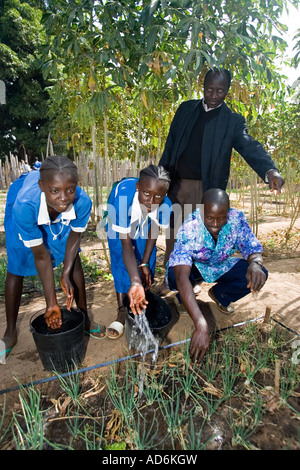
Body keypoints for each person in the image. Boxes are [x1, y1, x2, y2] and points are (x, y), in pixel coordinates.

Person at [158, 67, 284, 290]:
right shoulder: (185, 109)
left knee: (201, 237)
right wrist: (162, 178)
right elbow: (170, 145)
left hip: (207, 190)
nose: (214, 95)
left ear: (227, 91)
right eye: (210, 89)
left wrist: (270, 170)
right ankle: (172, 281)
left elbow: (249, 145)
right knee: (174, 232)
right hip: (177, 185)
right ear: (203, 87)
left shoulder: (232, 120)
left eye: (220, 91)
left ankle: (192, 279)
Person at [0, 155, 106, 365]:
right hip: (26, 205)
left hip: (47, 207)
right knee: (17, 263)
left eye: (70, 190)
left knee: (73, 260)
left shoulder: (82, 202)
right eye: (54, 190)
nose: (63, 198)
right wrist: (51, 303)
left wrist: (65, 273)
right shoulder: (24, 206)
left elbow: (75, 236)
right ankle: (10, 331)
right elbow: (41, 255)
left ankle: (84, 318)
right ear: (42, 186)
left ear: (77, 185)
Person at [166, 188, 268, 361]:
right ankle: (184, 300)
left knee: (259, 273)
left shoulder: (236, 219)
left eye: (221, 218)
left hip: (218, 265)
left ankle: (221, 295)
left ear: (228, 213)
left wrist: (256, 263)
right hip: (194, 267)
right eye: (210, 218)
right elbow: (182, 275)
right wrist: (201, 324)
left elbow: (250, 247)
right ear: (201, 211)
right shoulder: (189, 228)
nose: (215, 224)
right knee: (174, 275)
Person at [105, 165, 172, 339]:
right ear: (138, 188)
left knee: (146, 261)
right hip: (120, 223)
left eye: (158, 196)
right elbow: (126, 246)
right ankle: (122, 311)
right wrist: (135, 281)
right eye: (146, 194)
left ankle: (140, 302)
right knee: (121, 260)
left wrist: (143, 263)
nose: (151, 201)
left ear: (165, 195)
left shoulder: (166, 205)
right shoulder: (122, 199)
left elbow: (153, 232)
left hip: (144, 225)